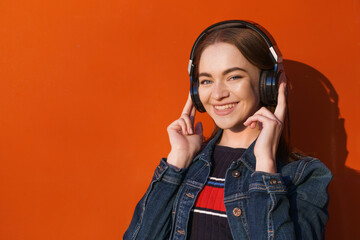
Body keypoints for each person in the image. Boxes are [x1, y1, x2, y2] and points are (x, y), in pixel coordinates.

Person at [123, 20, 332, 240]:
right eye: (206, 81)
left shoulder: (304, 176)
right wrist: (176, 165)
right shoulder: (185, 166)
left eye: (234, 77)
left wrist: (265, 167)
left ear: (267, 85)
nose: (218, 93)